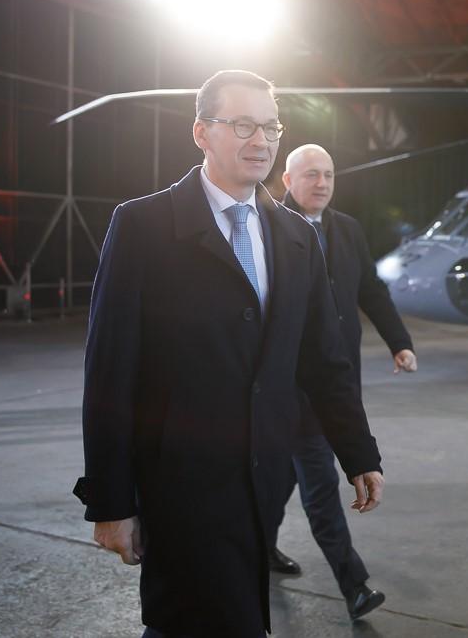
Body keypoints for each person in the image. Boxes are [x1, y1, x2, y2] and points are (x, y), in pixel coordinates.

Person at [73, 70, 384, 638]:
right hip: (180, 483)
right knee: (190, 621)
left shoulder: (295, 239)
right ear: (201, 133)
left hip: (262, 477)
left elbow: (323, 360)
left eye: (271, 127)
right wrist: (110, 501)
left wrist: (359, 452)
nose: (261, 141)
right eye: (242, 125)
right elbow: (109, 374)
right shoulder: (143, 227)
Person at [269, 144, 417, 620]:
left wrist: (399, 341)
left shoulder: (347, 230)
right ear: (288, 180)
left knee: (282, 480)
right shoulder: (268, 228)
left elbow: (370, 289)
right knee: (319, 482)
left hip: (337, 380)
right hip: (294, 387)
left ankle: (261, 549)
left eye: (329, 174)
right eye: (311, 174)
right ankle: (353, 584)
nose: (323, 183)